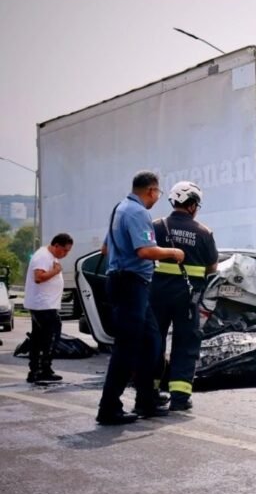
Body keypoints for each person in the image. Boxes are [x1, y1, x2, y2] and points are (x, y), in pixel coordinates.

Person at [96, 170, 185, 426]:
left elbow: (105, 248)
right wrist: (174, 252)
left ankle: (146, 400)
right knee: (127, 348)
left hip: (129, 282)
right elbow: (145, 250)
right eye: (158, 192)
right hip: (130, 283)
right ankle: (109, 407)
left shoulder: (119, 209)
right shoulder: (137, 212)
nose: (157, 197)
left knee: (152, 343)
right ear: (151, 191)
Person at [151, 181, 218, 412]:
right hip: (188, 298)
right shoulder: (204, 232)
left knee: (154, 342)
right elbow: (212, 269)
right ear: (191, 205)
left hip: (157, 296)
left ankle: (150, 392)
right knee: (185, 344)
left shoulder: (157, 226)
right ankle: (179, 397)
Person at [23, 233, 74, 384]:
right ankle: (42, 369)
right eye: (64, 250)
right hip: (43, 306)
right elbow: (38, 277)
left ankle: (38, 370)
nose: (65, 254)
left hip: (44, 305)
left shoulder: (50, 256)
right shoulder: (43, 256)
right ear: (56, 245)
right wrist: (56, 271)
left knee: (40, 337)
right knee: (49, 337)